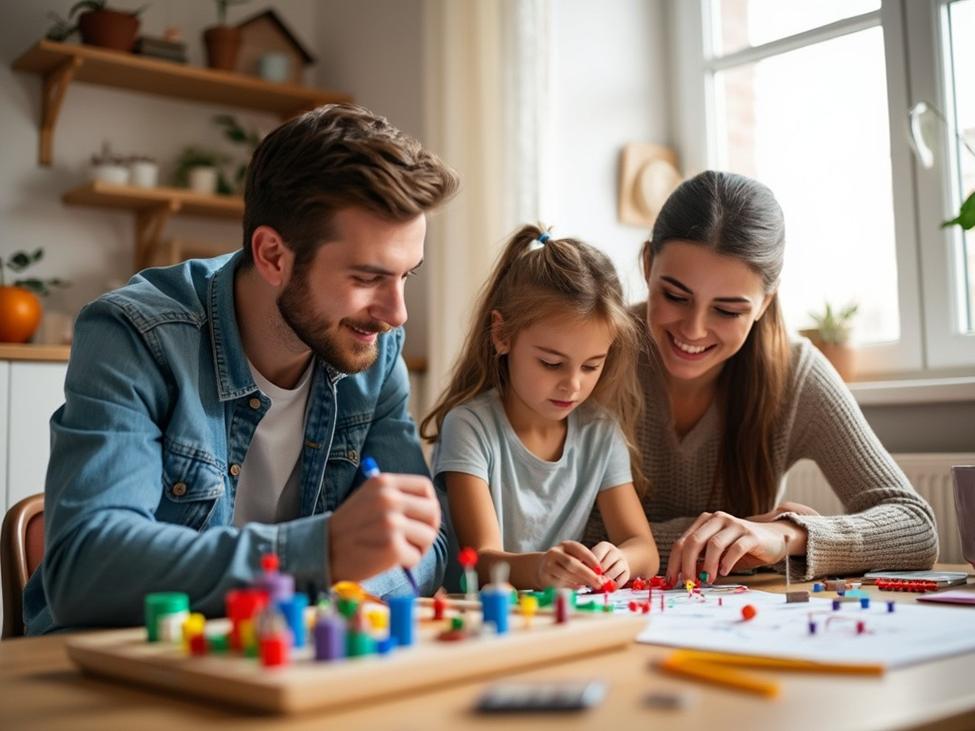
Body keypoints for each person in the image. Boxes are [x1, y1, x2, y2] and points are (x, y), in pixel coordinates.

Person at [24, 104, 459, 634]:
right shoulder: (134, 335)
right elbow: (86, 569)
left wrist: (336, 584)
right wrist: (317, 555)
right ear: (273, 255)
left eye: (405, 276)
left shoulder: (374, 349)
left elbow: (427, 541)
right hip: (117, 670)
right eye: (368, 277)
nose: (397, 313)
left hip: (275, 657)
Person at [585, 170, 938, 586]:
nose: (694, 330)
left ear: (764, 302)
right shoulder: (591, 356)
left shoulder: (794, 373)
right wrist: (728, 542)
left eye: (728, 310)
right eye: (676, 297)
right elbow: (546, 532)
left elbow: (915, 526)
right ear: (647, 265)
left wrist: (786, 534)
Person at [421, 225, 659, 591]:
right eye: (551, 363)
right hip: (477, 618)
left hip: (555, 617)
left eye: (592, 365)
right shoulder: (469, 426)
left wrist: (621, 559)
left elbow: (644, 548)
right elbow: (481, 560)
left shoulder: (600, 432)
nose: (573, 385)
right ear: (502, 335)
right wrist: (541, 569)